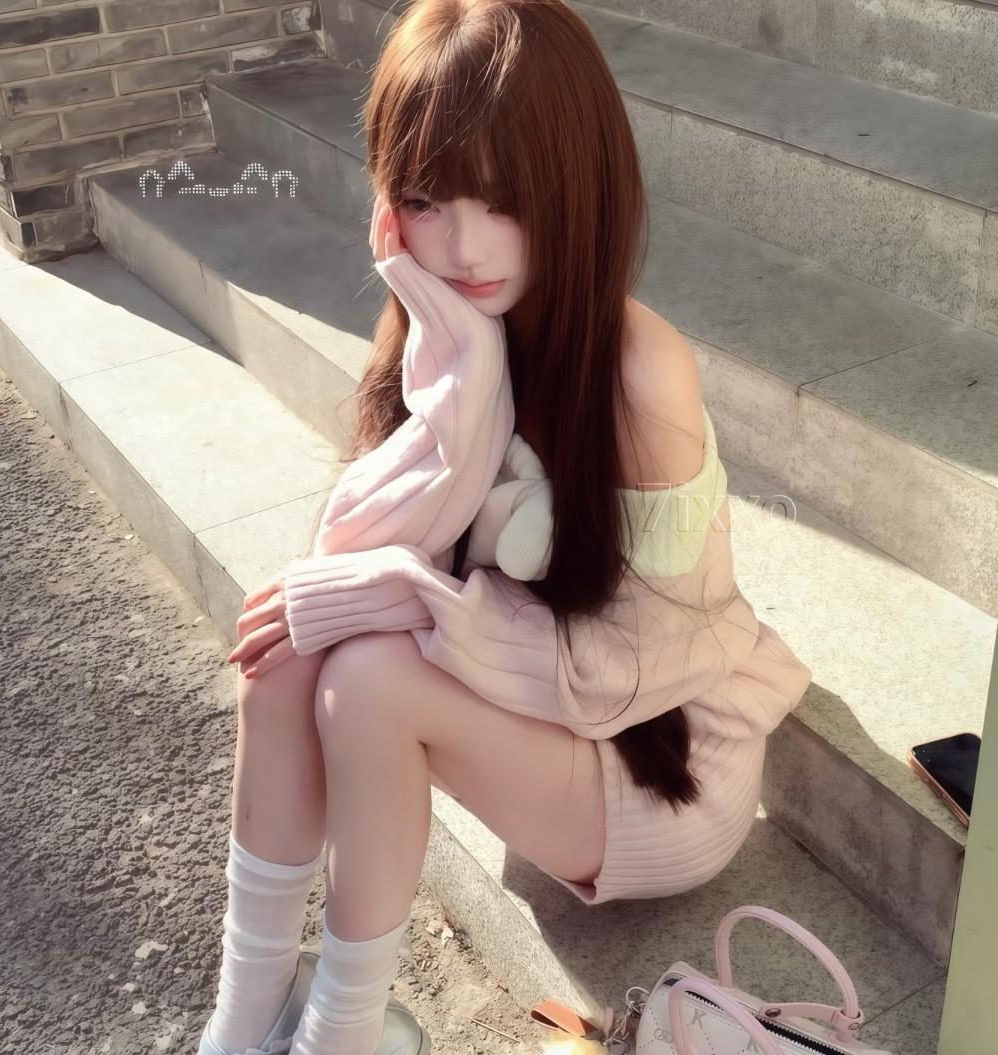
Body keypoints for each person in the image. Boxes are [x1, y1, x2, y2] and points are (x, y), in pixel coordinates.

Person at [198, 0, 814, 1053]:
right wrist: (453, 373)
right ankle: (241, 1017)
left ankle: (342, 1032)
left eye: (506, 199)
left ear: (580, 183)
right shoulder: (450, 324)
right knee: (283, 654)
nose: (463, 245)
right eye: (425, 200)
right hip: (548, 730)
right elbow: (353, 555)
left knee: (363, 675)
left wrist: (402, 595)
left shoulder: (639, 373)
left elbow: (640, 662)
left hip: (661, 770)